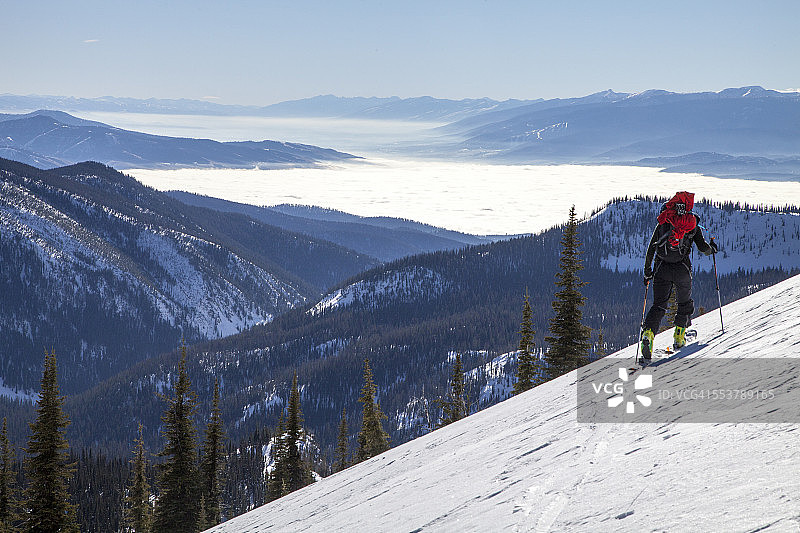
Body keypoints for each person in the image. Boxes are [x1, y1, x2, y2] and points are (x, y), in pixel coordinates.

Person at [641, 191, 717, 359]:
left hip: (662, 268)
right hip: (683, 269)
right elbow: (703, 248)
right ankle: (679, 336)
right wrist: (713, 249)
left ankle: (648, 334)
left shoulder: (663, 222)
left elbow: (651, 249)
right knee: (684, 302)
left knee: (659, 305)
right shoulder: (692, 224)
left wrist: (647, 271)